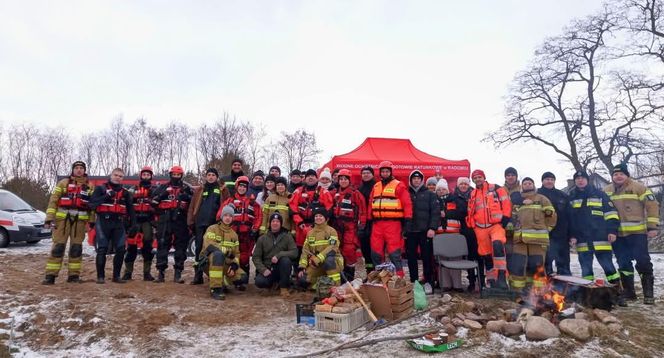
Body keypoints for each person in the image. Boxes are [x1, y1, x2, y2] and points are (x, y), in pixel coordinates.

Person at [604, 164, 660, 305]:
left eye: (621, 174)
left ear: (627, 175)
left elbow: (652, 205)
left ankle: (648, 294)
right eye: (615, 174)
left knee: (643, 262)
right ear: (612, 177)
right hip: (618, 235)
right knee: (623, 264)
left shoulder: (638, 187)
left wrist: (652, 226)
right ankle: (629, 292)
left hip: (637, 233)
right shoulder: (606, 190)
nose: (618, 176)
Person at [569, 170, 625, 306]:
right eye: (577, 178)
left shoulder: (600, 195)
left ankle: (618, 296)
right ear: (575, 181)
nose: (580, 180)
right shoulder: (571, 197)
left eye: (583, 178)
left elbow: (611, 214)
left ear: (588, 180)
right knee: (586, 271)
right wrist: (572, 235)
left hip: (601, 238)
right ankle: (588, 298)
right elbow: (570, 220)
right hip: (582, 240)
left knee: (610, 270)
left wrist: (612, 231)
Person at [42, 161, 94, 285]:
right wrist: (49, 218)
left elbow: (92, 206)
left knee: (76, 249)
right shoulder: (63, 183)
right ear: (73, 170)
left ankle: (74, 276)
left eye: (81, 168)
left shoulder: (90, 186)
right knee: (58, 248)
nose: (79, 170)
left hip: (79, 222)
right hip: (62, 221)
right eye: (76, 168)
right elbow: (53, 201)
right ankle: (50, 276)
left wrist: (92, 221)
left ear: (84, 170)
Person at [88, 168, 137, 284]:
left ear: (122, 178)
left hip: (118, 223)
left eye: (120, 176)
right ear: (111, 175)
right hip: (103, 221)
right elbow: (91, 204)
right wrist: (106, 196)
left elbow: (131, 210)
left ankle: (116, 276)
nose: (118, 177)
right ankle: (100, 277)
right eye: (116, 175)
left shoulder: (125, 193)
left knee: (121, 249)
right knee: (102, 249)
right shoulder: (101, 188)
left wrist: (134, 225)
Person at [508, 177, 556, 293]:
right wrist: (510, 228)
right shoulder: (518, 202)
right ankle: (517, 290)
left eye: (530, 183)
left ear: (534, 185)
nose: (527, 184)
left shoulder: (542, 199)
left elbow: (552, 216)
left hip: (538, 240)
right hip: (520, 240)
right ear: (522, 186)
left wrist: (547, 229)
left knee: (537, 266)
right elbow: (513, 218)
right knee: (518, 265)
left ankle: (538, 292)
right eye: (525, 183)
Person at [467, 169, 511, 290]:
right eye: (475, 178)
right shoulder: (473, 193)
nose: (477, 179)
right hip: (480, 228)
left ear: (484, 177)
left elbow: (506, 203)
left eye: (479, 177)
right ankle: (491, 280)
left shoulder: (496, 188)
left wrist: (505, 219)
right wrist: (473, 225)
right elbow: (471, 210)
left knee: (498, 246)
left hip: (495, 225)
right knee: (485, 254)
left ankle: (502, 278)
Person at [368, 161, 413, 278]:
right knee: (376, 253)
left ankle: (399, 278)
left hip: (393, 224)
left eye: (387, 171)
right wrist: (368, 220)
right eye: (383, 171)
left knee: (394, 254)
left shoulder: (399, 185)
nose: (385, 173)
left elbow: (407, 204)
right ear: (380, 173)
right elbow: (370, 203)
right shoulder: (376, 186)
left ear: (391, 172)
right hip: (377, 224)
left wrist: (408, 220)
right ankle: (380, 278)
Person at [151, 165, 194, 283]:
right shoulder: (162, 187)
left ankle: (178, 274)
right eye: (174, 175)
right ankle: (161, 273)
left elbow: (194, 204)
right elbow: (153, 203)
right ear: (170, 175)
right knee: (162, 244)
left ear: (181, 176)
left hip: (181, 220)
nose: (176, 177)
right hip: (165, 219)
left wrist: (188, 197)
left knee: (181, 246)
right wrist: (161, 196)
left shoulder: (186, 188)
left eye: (178, 175)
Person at [188, 167, 229, 285]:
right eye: (209, 175)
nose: (211, 177)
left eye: (213, 175)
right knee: (199, 249)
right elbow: (192, 206)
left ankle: (214, 275)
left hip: (215, 225)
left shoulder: (221, 189)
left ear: (217, 177)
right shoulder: (200, 190)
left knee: (213, 249)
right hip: (200, 224)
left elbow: (227, 204)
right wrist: (190, 221)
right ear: (206, 177)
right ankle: (198, 276)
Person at [221, 176, 262, 290]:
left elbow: (258, 217)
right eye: (240, 186)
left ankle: (242, 280)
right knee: (230, 255)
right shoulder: (229, 201)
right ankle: (228, 278)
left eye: (244, 186)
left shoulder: (252, 203)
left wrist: (255, 229)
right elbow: (220, 215)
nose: (242, 188)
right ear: (237, 187)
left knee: (244, 258)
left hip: (247, 235)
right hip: (232, 235)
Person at [199, 205, 246, 300]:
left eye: (230, 216)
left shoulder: (234, 235)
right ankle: (215, 288)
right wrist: (226, 251)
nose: (227, 218)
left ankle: (222, 282)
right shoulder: (212, 229)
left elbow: (236, 254)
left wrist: (234, 266)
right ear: (221, 216)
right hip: (209, 262)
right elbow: (209, 245)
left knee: (243, 278)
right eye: (225, 215)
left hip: (226, 265)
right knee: (218, 255)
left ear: (233, 218)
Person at [405, 170, 439, 294]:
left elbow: (435, 212)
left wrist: (432, 228)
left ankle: (428, 281)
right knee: (411, 258)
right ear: (410, 180)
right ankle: (414, 281)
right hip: (410, 231)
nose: (416, 180)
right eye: (414, 178)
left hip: (425, 231)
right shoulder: (406, 193)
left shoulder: (430, 194)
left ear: (422, 180)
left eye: (418, 178)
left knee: (427, 258)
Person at [122, 166, 158, 281]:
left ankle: (147, 273)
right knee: (131, 247)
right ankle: (128, 272)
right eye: (144, 174)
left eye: (148, 175)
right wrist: (127, 222)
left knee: (148, 247)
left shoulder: (155, 190)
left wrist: (151, 203)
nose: (146, 177)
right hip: (135, 221)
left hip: (148, 221)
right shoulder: (133, 189)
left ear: (151, 176)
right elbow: (127, 205)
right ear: (141, 176)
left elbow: (158, 205)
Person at [331, 169, 367, 281]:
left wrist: (362, 226)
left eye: (345, 179)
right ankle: (340, 278)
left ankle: (349, 278)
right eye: (341, 179)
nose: (343, 181)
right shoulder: (334, 193)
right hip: (337, 226)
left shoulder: (355, 194)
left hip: (350, 227)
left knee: (349, 251)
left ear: (349, 180)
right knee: (337, 250)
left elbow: (362, 211)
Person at [289, 169, 334, 258]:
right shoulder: (298, 191)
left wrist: (318, 223)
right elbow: (292, 208)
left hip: (318, 226)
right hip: (301, 226)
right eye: (308, 176)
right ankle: (300, 270)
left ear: (317, 179)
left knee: (318, 248)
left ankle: (316, 269)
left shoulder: (323, 192)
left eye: (312, 176)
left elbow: (329, 209)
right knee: (301, 249)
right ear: (304, 179)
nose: (310, 177)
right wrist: (300, 222)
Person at [253, 212, 299, 297]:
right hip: (268, 269)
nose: (275, 223)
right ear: (270, 223)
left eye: (277, 221)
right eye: (273, 221)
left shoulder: (287, 237)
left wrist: (280, 255)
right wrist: (263, 270)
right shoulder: (262, 238)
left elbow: (294, 252)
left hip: (281, 269)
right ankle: (272, 285)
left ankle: (283, 287)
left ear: (281, 224)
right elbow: (256, 257)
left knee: (286, 261)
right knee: (260, 282)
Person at [297, 208, 343, 287]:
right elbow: (305, 251)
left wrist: (318, 258)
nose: (318, 218)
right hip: (317, 264)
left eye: (321, 216)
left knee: (329, 261)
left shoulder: (331, 231)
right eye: (316, 216)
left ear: (326, 219)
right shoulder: (310, 233)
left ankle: (336, 287)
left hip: (333, 261)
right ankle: (321, 286)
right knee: (303, 280)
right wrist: (302, 267)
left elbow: (332, 247)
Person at [452, 177, 484, 292]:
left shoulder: (475, 195)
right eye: (461, 184)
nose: (464, 186)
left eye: (466, 184)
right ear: (458, 185)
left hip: (477, 229)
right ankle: (471, 282)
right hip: (463, 231)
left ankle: (482, 281)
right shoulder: (453, 196)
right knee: (469, 257)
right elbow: (452, 213)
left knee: (480, 256)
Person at [537, 172, 571, 276]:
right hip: (544, 235)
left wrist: (570, 234)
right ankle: (546, 288)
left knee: (563, 264)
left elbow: (569, 216)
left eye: (552, 179)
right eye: (547, 179)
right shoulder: (537, 195)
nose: (549, 181)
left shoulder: (562, 195)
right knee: (545, 264)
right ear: (542, 181)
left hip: (561, 235)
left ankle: (564, 288)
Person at [435, 179, 464, 292]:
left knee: (455, 259)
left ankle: (457, 285)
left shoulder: (455, 199)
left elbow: (461, 213)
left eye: (443, 189)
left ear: (447, 189)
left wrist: (446, 213)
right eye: (439, 190)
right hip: (440, 234)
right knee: (442, 260)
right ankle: (445, 284)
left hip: (454, 233)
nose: (441, 191)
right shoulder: (434, 201)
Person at [357, 166, 376, 273]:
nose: (366, 174)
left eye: (368, 173)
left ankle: (378, 272)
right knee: (365, 250)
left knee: (376, 250)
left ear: (372, 174)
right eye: (364, 173)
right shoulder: (359, 188)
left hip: (375, 222)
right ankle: (369, 272)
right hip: (363, 224)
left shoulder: (377, 187)